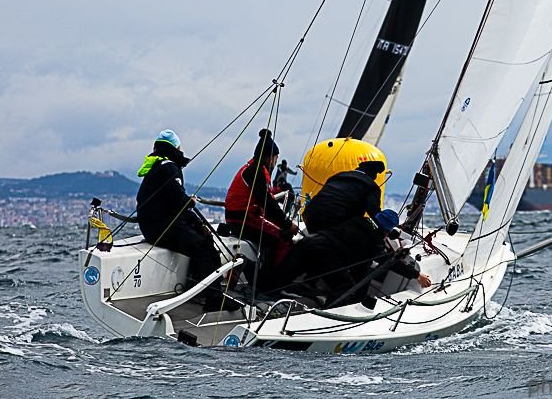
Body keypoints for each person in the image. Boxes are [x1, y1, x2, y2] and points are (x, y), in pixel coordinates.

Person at [136, 129, 241, 312]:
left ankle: (200, 288)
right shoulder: (169, 167)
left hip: (153, 226)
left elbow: (174, 205)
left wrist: (199, 224)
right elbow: (179, 201)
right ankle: (214, 300)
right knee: (205, 249)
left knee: (203, 240)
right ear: (175, 147)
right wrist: (190, 201)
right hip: (162, 226)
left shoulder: (157, 165)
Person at [272, 209, 431, 308]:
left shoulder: (358, 220)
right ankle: (327, 316)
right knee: (345, 285)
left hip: (307, 243)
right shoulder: (374, 241)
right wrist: (416, 275)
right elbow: (389, 262)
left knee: (276, 283)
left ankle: (271, 298)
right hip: (322, 253)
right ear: (387, 230)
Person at [224, 129, 298, 275]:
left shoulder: (252, 168)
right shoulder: (257, 172)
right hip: (243, 219)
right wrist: (287, 224)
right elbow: (267, 202)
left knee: (277, 234)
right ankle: (270, 282)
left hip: (239, 218)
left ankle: (257, 271)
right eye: (275, 157)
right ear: (270, 158)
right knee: (282, 238)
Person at [302, 160, 385, 234]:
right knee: (366, 223)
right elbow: (374, 213)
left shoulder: (337, 176)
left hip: (310, 216)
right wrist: (381, 229)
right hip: (337, 222)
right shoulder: (370, 185)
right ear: (372, 174)